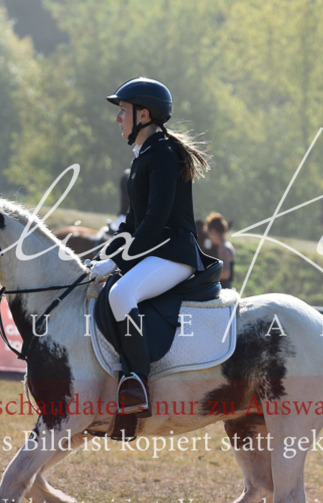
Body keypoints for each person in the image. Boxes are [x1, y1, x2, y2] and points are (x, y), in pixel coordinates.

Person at [89, 77, 214, 417]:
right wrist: (98, 257)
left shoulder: (163, 155)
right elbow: (131, 224)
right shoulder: (144, 156)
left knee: (120, 293)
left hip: (174, 253)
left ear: (143, 115)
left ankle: (136, 380)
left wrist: (116, 265)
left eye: (123, 111)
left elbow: (156, 219)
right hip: (156, 250)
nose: (117, 118)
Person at [203, 212, 236, 288]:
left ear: (213, 231)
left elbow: (225, 274)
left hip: (223, 288)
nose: (209, 237)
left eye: (208, 233)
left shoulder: (223, 248)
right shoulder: (226, 245)